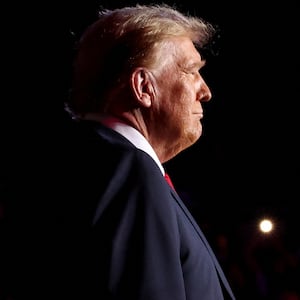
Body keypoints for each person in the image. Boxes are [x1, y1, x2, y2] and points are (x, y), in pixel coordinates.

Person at [4, 4, 236, 300]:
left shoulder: (74, 164)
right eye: (191, 71)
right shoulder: (130, 171)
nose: (205, 91)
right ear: (144, 87)